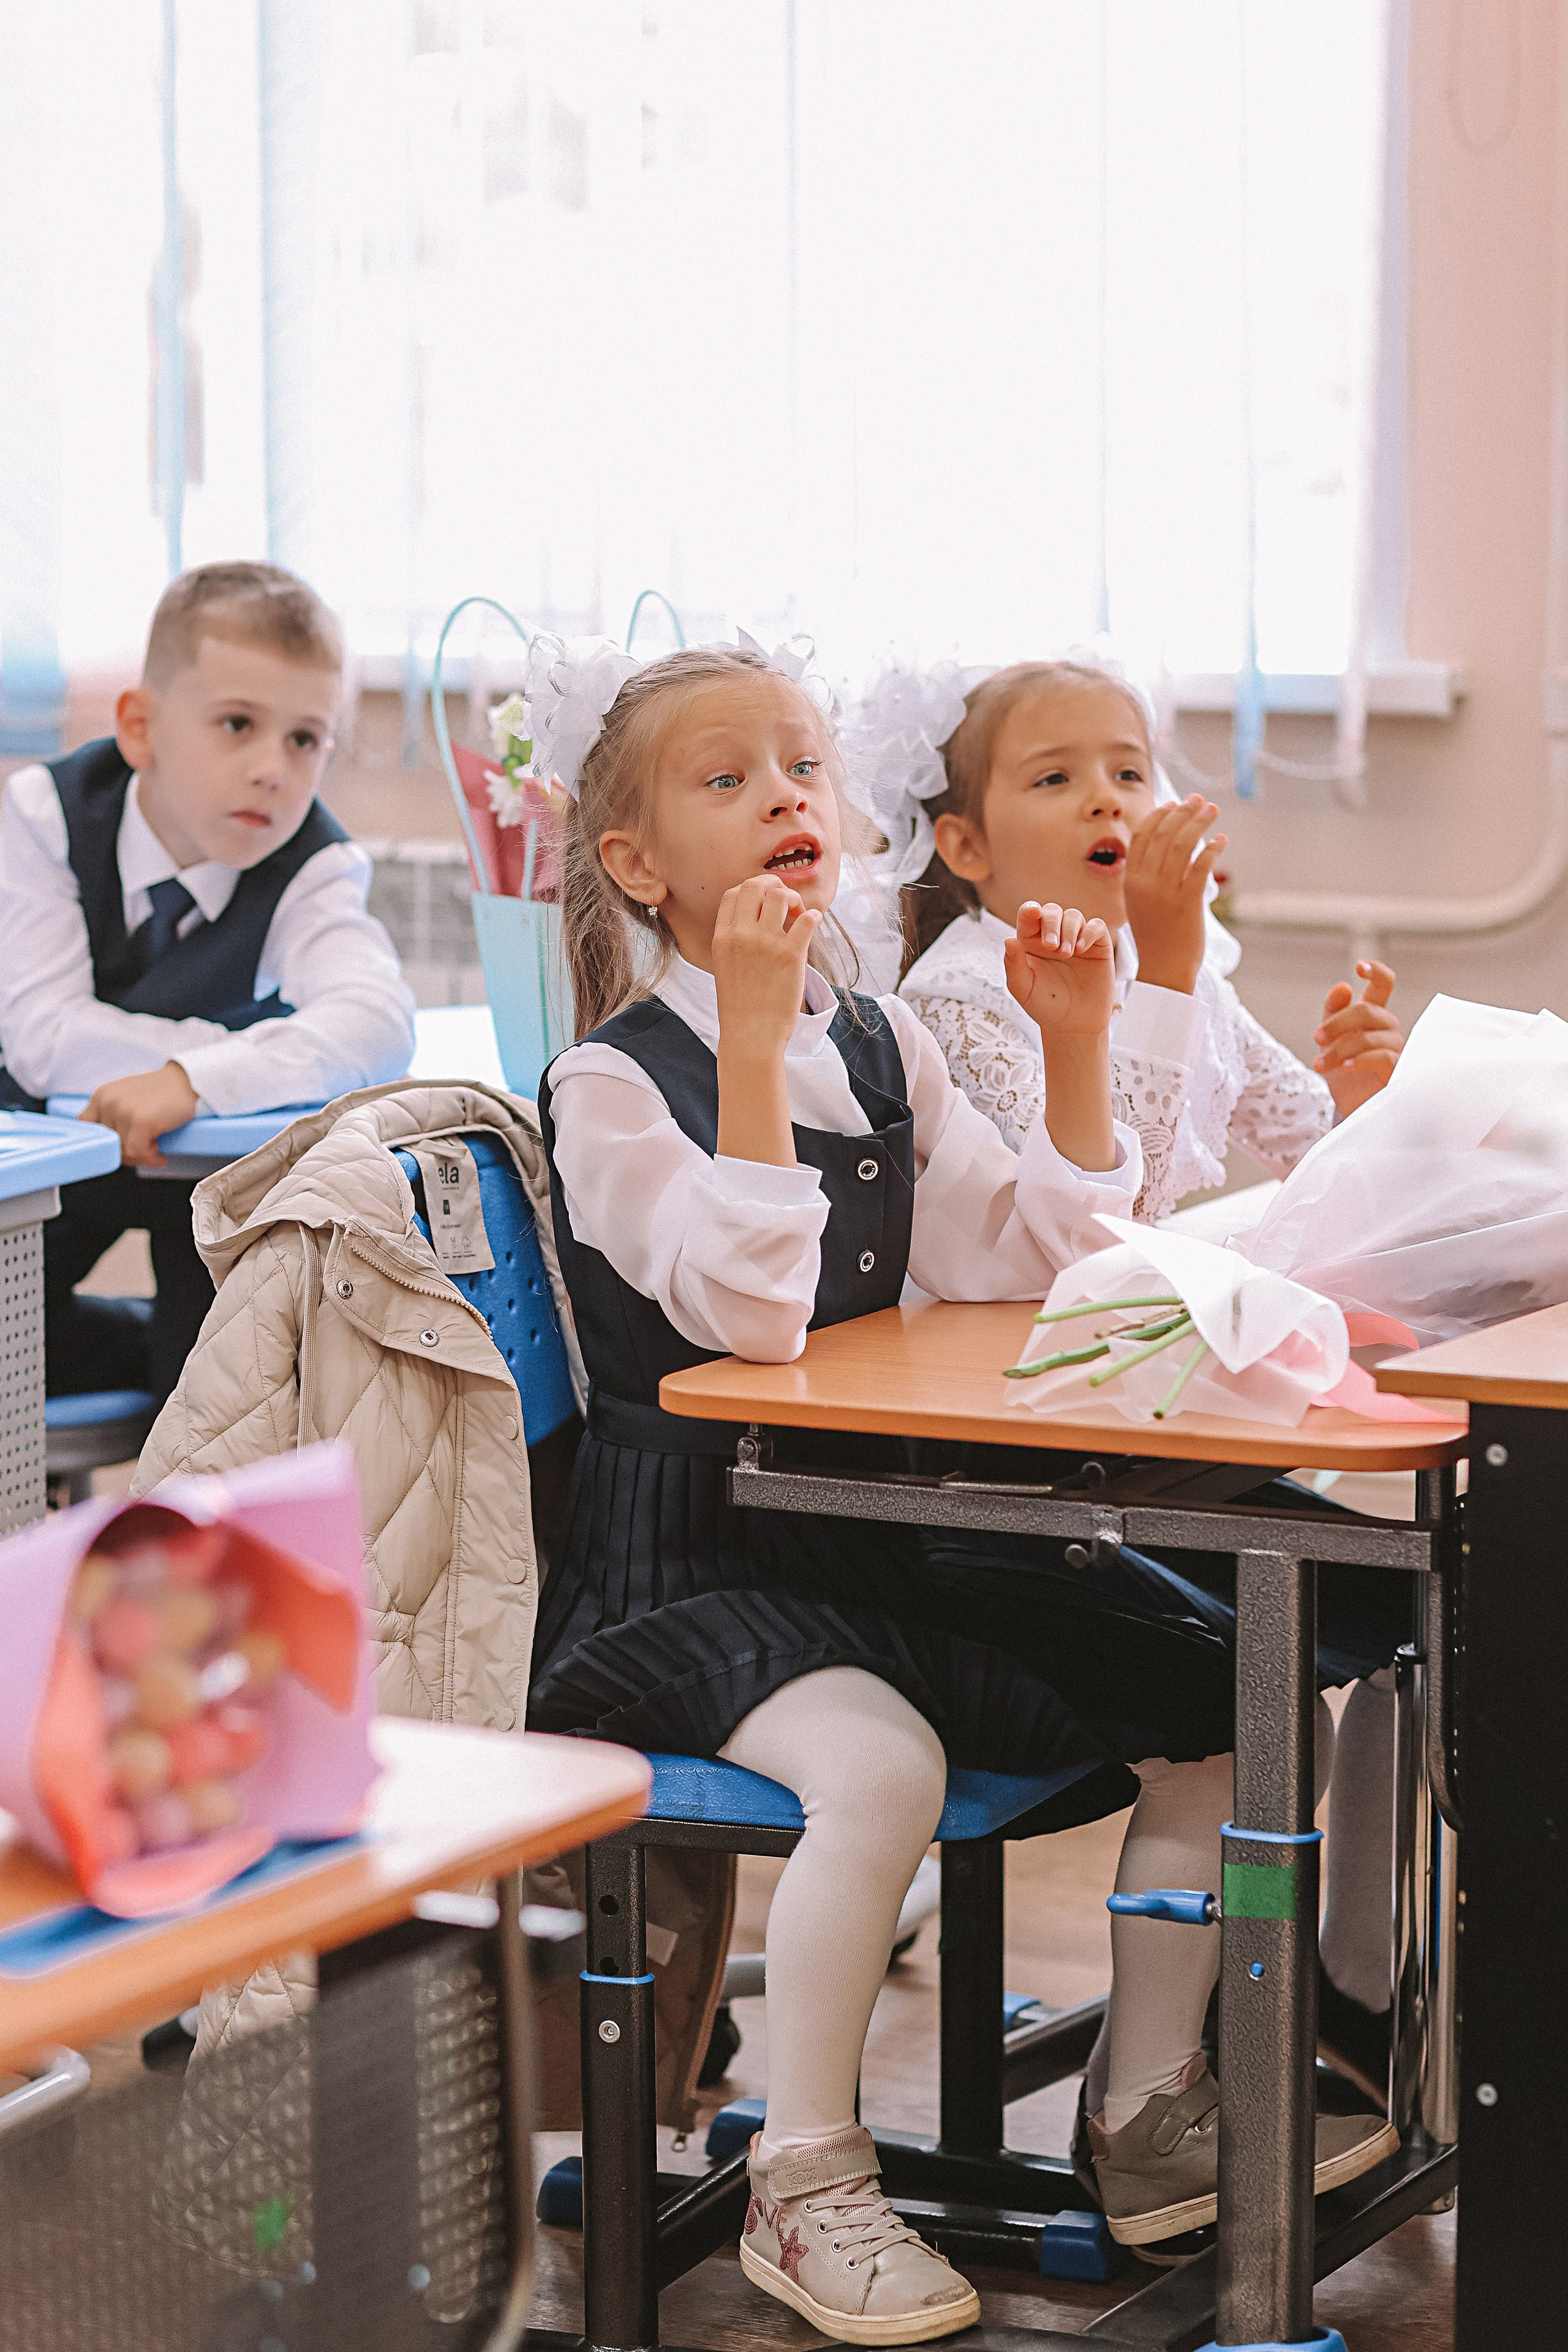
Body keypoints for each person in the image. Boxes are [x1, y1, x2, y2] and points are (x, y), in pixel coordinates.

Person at [524, 633, 1393, 2324]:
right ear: (635, 865)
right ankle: (806, 2177)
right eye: (728, 780)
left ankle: (1143, 2117)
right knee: (884, 1767)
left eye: (801, 767)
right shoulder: (617, 1079)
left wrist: (1077, 1051)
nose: (784, 795)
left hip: (867, 1535)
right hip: (690, 1569)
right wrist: (760, 1048)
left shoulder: (875, 1039)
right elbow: (750, 1310)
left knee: (1220, 1691)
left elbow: (1025, 1256)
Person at [867, 654, 1407, 2114]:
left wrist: (1360, 1098)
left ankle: (1347, 2012)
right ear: (965, 848)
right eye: (1053, 778)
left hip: (1152, 1439)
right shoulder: (960, 997)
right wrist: (1156, 971)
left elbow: (1298, 1148)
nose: (1106, 798)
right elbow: (1103, 1226)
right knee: (1250, 1702)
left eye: (1127, 767)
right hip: (1013, 1473)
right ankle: (1170, 2082)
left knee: (1412, 1621)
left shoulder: (1188, 963)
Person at [0, 560, 415, 1406]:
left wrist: (194, 1083)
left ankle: (176, 1397)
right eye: (237, 724)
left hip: (199, 1178)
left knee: (222, 1374)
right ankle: (129, 1348)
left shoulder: (315, 864)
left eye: (305, 739)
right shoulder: (45, 815)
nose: (274, 768)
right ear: (141, 728)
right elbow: (48, 1037)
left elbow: (376, 1020)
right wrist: (232, 1057)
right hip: (41, 1154)